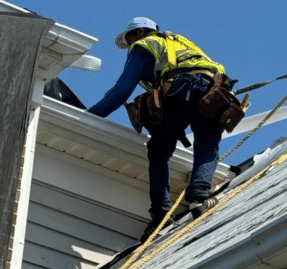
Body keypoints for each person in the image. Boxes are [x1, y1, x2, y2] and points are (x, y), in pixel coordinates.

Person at [87, 17, 227, 242]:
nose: (129, 45)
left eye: (130, 37)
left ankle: (161, 214)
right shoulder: (179, 42)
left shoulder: (144, 46)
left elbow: (122, 91)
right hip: (214, 89)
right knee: (208, 141)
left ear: (140, 32)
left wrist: (90, 117)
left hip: (182, 88)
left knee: (159, 150)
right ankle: (200, 197)